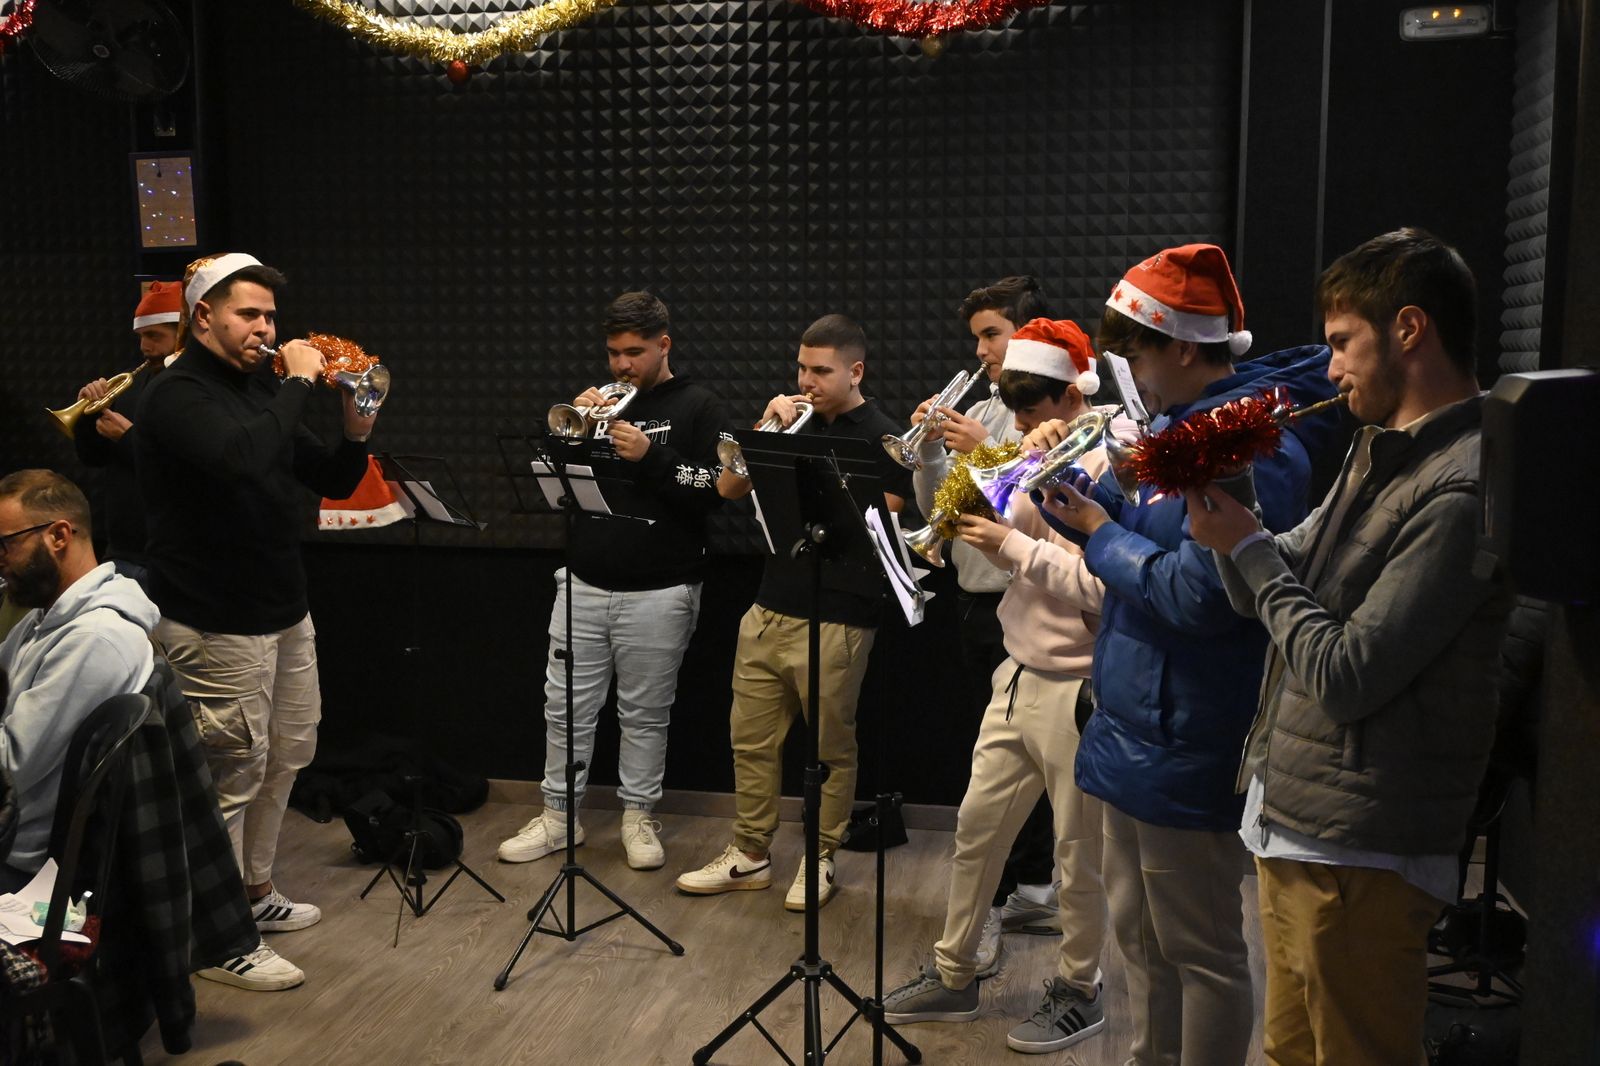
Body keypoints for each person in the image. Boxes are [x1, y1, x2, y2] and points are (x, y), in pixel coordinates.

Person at [1186, 228, 1512, 1066]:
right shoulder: (1380, 446)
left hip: (1361, 848)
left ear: (1409, 329)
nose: (1328, 371)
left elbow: (1346, 674)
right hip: (1300, 824)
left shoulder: (1462, 484)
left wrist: (1248, 549)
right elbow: (1275, 575)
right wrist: (1228, 485)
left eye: (1340, 344)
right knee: (1294, 1051)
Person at [1034, 244, 1339, 1066]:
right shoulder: (1175, 433)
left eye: (1133, 349)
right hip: (1134, 726)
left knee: (1199, 951)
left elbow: (1204, 599)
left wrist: (1099, 536)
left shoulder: (1255, 447)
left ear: (1179, 345)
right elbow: (1153, 552)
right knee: (1139, 941)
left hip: (1190, 734)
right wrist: (1082, 502)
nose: (1126, 371)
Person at [137, 252, 376, 991]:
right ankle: (215, 939)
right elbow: (241, 461)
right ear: (203, 316)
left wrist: (356, 424)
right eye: (250, 314)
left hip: (282, 607)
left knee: (285, 756)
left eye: (270, 317)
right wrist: (300, 381)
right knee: (229, 775)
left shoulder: (255, 393)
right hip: (213, 617)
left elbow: (330, 477)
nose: (266, 330)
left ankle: (253, 891)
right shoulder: (173, 393)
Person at [883, 319, 1122, 1054]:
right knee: (975, 831)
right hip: (1016, 672)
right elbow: (989, 515)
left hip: (1080, 686)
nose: (1021, 427)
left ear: (1071, 396)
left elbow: (1102, 590)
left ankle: (1080, 989)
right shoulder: (1029, 442)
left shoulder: (1115, 461)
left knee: (1079, 860)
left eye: (1032, 413)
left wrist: (1014, 543)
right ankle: (956, 973)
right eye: (1014, 415)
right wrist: (977, 476)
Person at [676, 314, 911, 910]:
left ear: (855, 371)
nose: (807, 381)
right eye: (802, 368)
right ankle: (750, 853)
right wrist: (763, 434)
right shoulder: (786, 421)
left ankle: (822, 857)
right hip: (770, 602)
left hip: (841, 611)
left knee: (830, 747)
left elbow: (878, 515)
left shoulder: (883, 436)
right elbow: (729, 491)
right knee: (749, 740)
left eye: (821, 371)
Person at [497, 291, 728, 872]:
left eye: (634, 353)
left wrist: (651, 455)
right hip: (583, 583)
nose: (622, 366)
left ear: (663, 344)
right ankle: (557, 816)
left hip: (662, 589)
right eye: (613, 354)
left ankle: (638, 815)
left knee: (645, 713)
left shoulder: (698, 405)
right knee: (563, 708)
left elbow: (714, 490)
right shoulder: (599, 407)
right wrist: (570, 436)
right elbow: (560, 484)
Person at [910, 277, 1062, 965]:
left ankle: (1015, 895)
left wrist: (975, 446)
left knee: (1014, 770)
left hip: (1024, 600)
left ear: (1028, 336)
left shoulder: (1033, 415)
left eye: (991, 334)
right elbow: (942, 506)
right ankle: (1026, 887)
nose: (981, 350)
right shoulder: (981, 408)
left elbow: (1026, 503)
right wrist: (931, 451)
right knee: (997, 761)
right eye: (977, 337)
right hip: (977, 598)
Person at [0, 470, 157, 891]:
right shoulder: (45, 616)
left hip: (17, 859)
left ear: (59, 536)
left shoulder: (95, 639)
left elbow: (10, 766)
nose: (1, 560)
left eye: (5, 545)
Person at [72, 280, 184, 592]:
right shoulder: (133, 387)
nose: (144, 347)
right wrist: (87, 415)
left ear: (183, 334)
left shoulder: (195, 394)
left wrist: (128, 437)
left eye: (154, 336)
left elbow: (184, 471)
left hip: (173, 557)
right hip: (123, 550)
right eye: (141, 337)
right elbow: (93, 458)